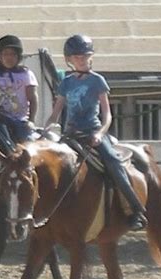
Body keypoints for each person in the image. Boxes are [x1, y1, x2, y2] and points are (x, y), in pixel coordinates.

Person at [45, 34, 147, 231]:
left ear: (90, 57)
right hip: (70, 135)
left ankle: (135, 209)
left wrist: (100, 133)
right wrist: (46, 129)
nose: (81, 60)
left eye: (84, 56)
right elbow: (56, 113)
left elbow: (107, 115)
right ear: (70, 60)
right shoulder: (66, 83)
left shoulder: (97, 81)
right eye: (77, 57)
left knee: (113, 161)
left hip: (92, 132)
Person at [0, 35, 38, 155]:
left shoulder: (26, 74)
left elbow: (32, 98)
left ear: (18, 56)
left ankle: (18, 161)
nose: (8, 58)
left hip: (20, 119)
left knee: (26, 145)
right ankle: (9, 156)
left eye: (12, 54)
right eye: (5, 54)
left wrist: (31, 120)